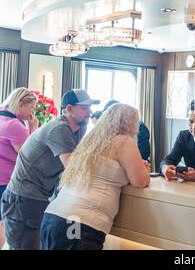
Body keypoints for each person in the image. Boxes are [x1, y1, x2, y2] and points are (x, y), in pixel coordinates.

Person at [40, 103, 150, 250]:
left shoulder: (90, 141)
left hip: (52, 216)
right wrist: (144, 169)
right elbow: (140, 181)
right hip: (79, 223)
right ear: (130, 123)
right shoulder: (123, 141)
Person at [0, 89, 98, 250]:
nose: (90, 112)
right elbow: (73, 168)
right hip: (23, 199)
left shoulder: (78, 128)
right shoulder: (59, 129)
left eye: (90, 107)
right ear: (69, 109)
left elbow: (82, 158)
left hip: (38, 197)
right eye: (85, 107)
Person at [0, 88, 39, 248]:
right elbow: (31, 155)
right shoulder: (14, 125)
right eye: (31, 107)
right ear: (21, 104)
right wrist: (34, 128)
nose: (32, 111)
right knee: (4, 225)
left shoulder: (2, 118)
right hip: (7, 182)